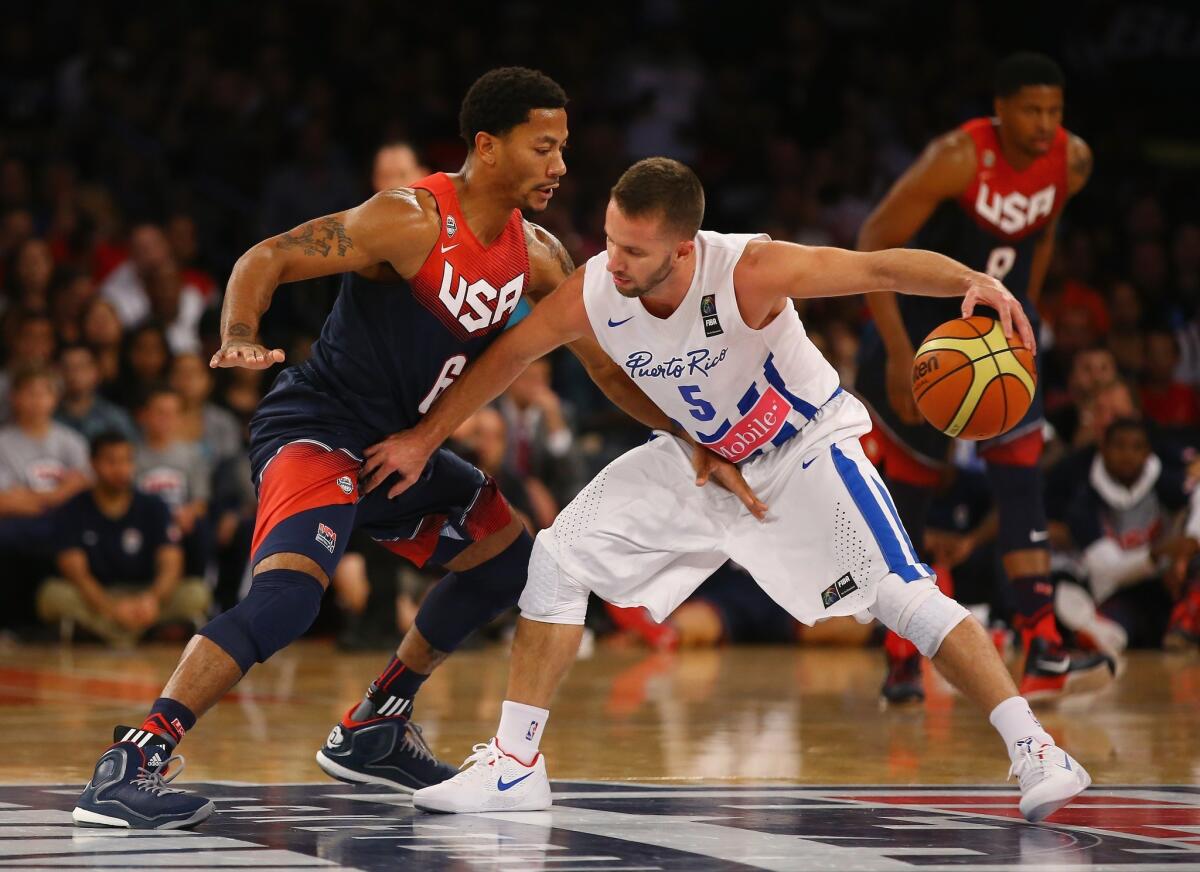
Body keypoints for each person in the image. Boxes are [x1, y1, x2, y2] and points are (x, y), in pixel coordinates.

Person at [73, 68, 713, 831]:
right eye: (544, 147)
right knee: (288, 599)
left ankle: (375, 722)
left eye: (563, 148)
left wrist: (689, 431)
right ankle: (132, 761)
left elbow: (605, 366)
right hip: (319, 429)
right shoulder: (408, 219)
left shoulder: (537, 255)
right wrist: (239, 334)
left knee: (511, 561)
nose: (560, 166)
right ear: (487, 145)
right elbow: (267, 257)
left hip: (400, 449)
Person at [367, 157, 1090, 822]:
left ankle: (1035, 749)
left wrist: (974, 281)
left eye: (633, 251)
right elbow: (509, 357)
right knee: (557, 559)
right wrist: (424, 438)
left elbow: (875, 267)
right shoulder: (597, 287)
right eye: (611, 241)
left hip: (802, 452)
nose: (612, 262)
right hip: (702, 460)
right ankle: (515, 765)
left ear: (684, 250)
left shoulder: (748, 270)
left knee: (902, 593)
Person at [850, 52, 1110, 702]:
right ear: (999, 110)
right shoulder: (956, 158)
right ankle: (900, 655)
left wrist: (1030, 314)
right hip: (923, 338)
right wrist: (897, 353)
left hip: (998, 338)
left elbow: (1043, 237)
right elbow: (872, 244)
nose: (1045, 123)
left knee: (1021, 477)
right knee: (909, 493)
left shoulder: (1071, 162)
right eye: (1031, 109)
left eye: (1054, 110)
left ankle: (1044, 645)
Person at [38, 432, 209, 645]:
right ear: (93, 464)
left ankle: (107, 634)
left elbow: (171, 563)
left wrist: (151, 600)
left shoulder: (153, 506)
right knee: (53, 595)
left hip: (144, 594)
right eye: (111, 461)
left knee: (196, 592)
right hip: (97, 596)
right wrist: (111, 608)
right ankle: (144, 632)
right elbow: (76, 573)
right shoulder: (73, 509)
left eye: (127, 461)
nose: (121, 469)